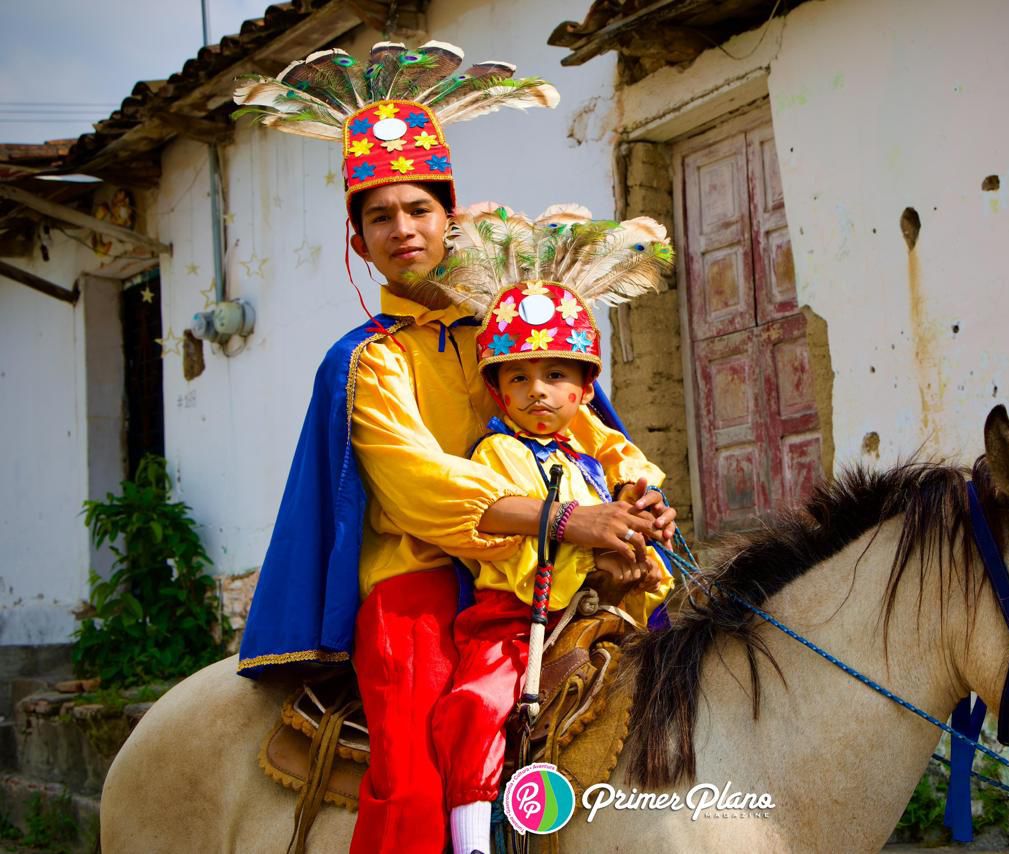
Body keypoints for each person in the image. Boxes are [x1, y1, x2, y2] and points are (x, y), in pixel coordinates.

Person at [230, 42, 677, 854]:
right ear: (358, 241)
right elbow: (415, 489)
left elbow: (587, 428)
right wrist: (563, 520)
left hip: (547, 570)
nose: (402, 228)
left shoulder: (508, 338)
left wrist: (636, 488)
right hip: (417, 582)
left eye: (419, 209)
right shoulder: (367, 359)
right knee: (415, 762)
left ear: (449, 215)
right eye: (379, 216)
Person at [421, 210, 676, 853]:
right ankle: (472, 837)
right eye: (518, 377)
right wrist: (587, 537)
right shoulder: (497, 455)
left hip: (590, 614)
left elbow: (613, 532)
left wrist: (641, 536)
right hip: (512, 623)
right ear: (498, 391)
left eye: (556, 375)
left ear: (586, 390)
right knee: (476, 707)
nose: (538, 391)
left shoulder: (591, 465)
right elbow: (508, 519)